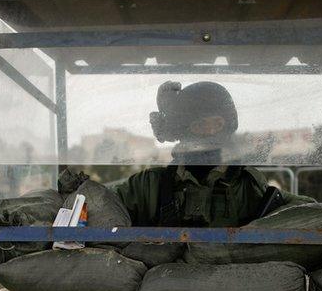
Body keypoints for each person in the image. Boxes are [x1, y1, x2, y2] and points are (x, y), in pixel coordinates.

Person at [112, 80, 310, 227]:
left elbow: (303, 211)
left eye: (217, 123)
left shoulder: (247, 185)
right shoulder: (151, 185)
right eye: (200, 125)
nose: (210, 132)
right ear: (184, 131)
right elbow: (98, 200)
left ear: (228, 125)